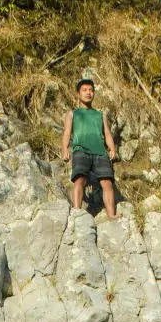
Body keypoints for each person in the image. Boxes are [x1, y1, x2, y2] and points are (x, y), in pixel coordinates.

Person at [62, 79, 118, 218]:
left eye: (91, 90)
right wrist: (65, 148)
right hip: (81, 150)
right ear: (78, 93)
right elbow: (67, 133)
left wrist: (112, 149)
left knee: (107, 182)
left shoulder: (100, 114)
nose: (88, 93)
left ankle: (111, 215)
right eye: (85, 90)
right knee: (79, 180)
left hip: (100, 152)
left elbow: (107, 133)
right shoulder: (72, 113)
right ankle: (76, 213)